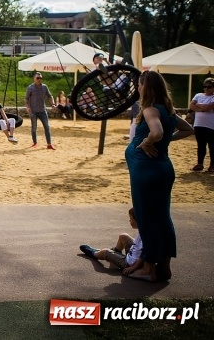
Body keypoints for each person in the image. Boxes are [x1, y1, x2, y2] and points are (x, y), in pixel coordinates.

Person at [124, 71, 194, 282]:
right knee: (162, 218)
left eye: (139, 84)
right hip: (161, 168)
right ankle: (163, 266)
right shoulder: (168, 111)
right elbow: (188, 129)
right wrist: (164, 142)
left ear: (147, 86)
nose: (138, 88)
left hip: (147, 172)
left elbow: (157, 132)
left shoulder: (150, 109)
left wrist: (147, 142)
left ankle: (147, 269)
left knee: (147, 219)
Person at [80, 208, 144, 274]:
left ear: (137, 220)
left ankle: (94, 253)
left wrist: (134, 267)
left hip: (128, 263)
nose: (129, 220)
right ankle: (115, 253)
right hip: (132, 254)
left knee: (105, 252)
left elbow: (145, 254)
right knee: (123, 236)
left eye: (131, 219)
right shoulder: (143, 229)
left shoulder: (145, 237)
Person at [25, 73, 56, 149]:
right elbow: (26, 98)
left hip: (42, 110)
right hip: (33, 111)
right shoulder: (30, 88)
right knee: (34, 128)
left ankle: (49, 144)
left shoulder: (44, 87)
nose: (39, 79)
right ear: (34, 79)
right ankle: (35, 142)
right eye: (38, 78)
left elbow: (49, 96)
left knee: (47, 127)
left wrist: (53, 104)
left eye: (40, 78)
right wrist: (28, 107)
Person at [189, 77, 214, 172]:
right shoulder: (198, 95)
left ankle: (212, 165)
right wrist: (202, 108)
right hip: (199, 124)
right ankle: (200, 163)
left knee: (212, 145)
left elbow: (209, 107)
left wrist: (198, 106)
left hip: (211, 125)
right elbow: (191, 105)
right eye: (205, 86)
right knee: (201, 144)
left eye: (209, 87)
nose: (206, 89)